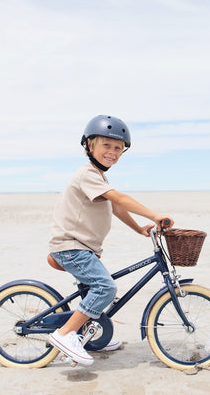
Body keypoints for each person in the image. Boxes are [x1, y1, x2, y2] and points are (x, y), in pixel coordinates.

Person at [48, 115, 174, 366]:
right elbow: (119, 199)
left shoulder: (98, 177)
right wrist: (154, 215)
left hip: (84, 249)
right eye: (106, 145)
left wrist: (139, 228)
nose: (113, 152)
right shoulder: (87, 174)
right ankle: (65, 335)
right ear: (89, 145)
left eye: (118, 148)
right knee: (105, 288)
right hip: (71, 248)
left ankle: (91, 337)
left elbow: (115, 208)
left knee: (101, 290)